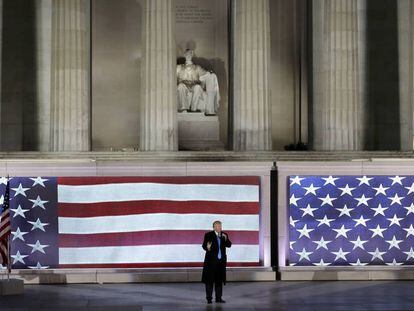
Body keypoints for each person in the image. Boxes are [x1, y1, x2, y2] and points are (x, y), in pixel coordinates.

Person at [201, 220, 232, 304]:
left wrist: (226, 239)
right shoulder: (208, 235)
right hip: (211, 263)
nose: (219, 228)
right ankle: (209, 299)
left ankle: (218, 298)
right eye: (217, 226)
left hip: (221, 263)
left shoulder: (224, 235)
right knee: (209, 281)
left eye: (220, 226)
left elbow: (229, 245)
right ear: (214, 227)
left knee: (219, 281)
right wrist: (208, 247)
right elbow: (204, 246)